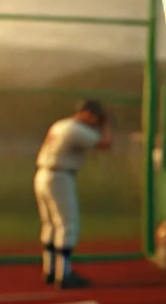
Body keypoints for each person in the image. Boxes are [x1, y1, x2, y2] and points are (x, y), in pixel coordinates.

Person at [35, 99, 112, 288]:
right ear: (86, 113)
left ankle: (50, 270)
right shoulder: (75, 129)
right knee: (67, 225)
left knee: (50, 225)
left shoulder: (60, 124)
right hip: (60, 177)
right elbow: (105, 143)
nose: (94, 121)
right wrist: (106, 125)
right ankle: (65, 274)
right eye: (94, 117)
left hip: (42, 175)